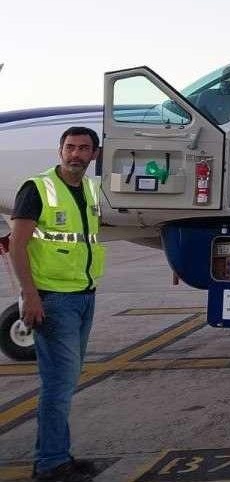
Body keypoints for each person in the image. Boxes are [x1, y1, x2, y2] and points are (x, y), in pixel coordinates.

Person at [9, 127, 104, 482]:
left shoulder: (91, 190)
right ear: (60, 150)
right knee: (59, 383)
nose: (75, 154)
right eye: (70, 147)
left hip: (84, 295)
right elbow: (17, 246)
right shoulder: (37, 188)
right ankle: (50, 464)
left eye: (83, 148)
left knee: (66, 379)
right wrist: (29, 295)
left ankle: (56, 455)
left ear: (94, 154)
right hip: (52, 299)